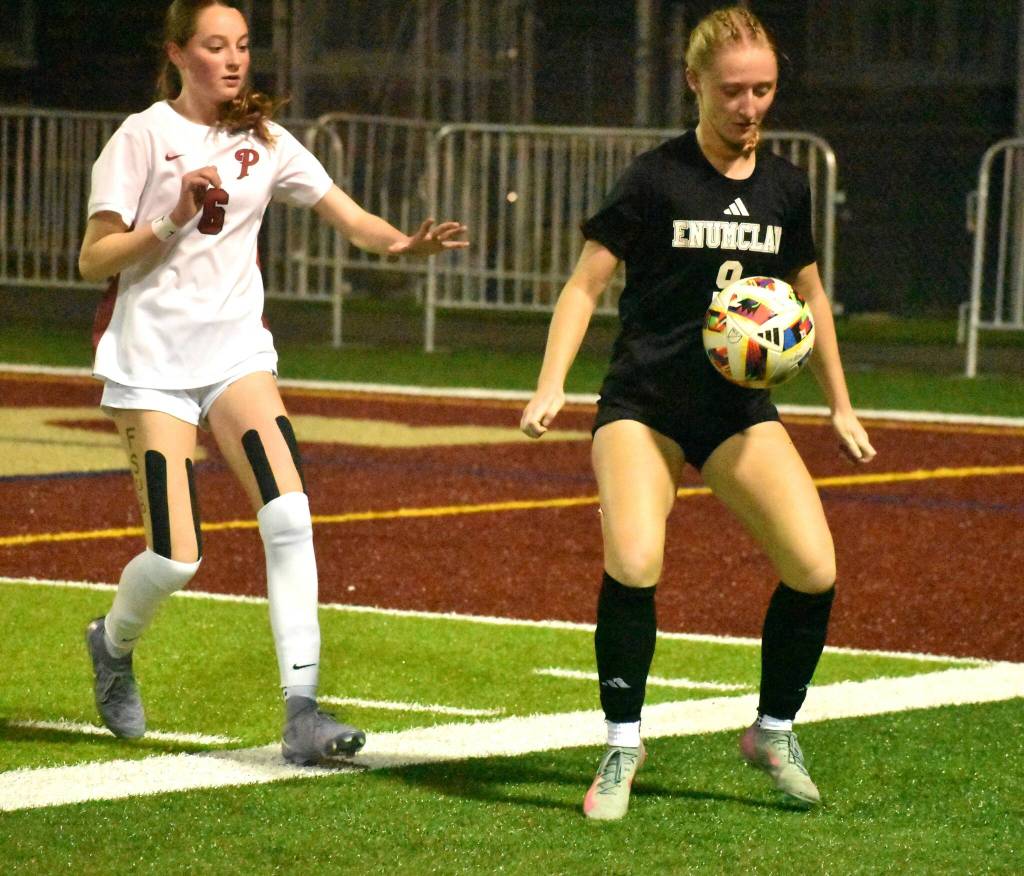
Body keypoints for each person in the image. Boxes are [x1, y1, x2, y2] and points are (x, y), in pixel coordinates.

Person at [79, 0, 467, 765]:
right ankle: (112, 643)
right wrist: (171, 219)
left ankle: (302, 713)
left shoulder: (265, 140)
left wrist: (403, 245)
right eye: (215, 46)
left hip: (235, 359)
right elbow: (95, 260)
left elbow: (350, 219)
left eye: (244, 46)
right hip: (151, 369)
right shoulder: (142, 137)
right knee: (177, 558)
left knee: (289, 514)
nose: (233, 60)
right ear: (178, 53)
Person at [520, 5, 875, 820]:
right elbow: (585, 285)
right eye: (734, 91)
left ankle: (773, 729)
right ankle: (621, 744)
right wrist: (551, 384)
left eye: (764, 91)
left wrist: (841, 407)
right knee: (636, 561)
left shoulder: (787, 186)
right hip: (643, 405)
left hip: (737, 411)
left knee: (814, 569)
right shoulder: (654, 178)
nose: (750, 108)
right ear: (694, 84)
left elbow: (809, 298)